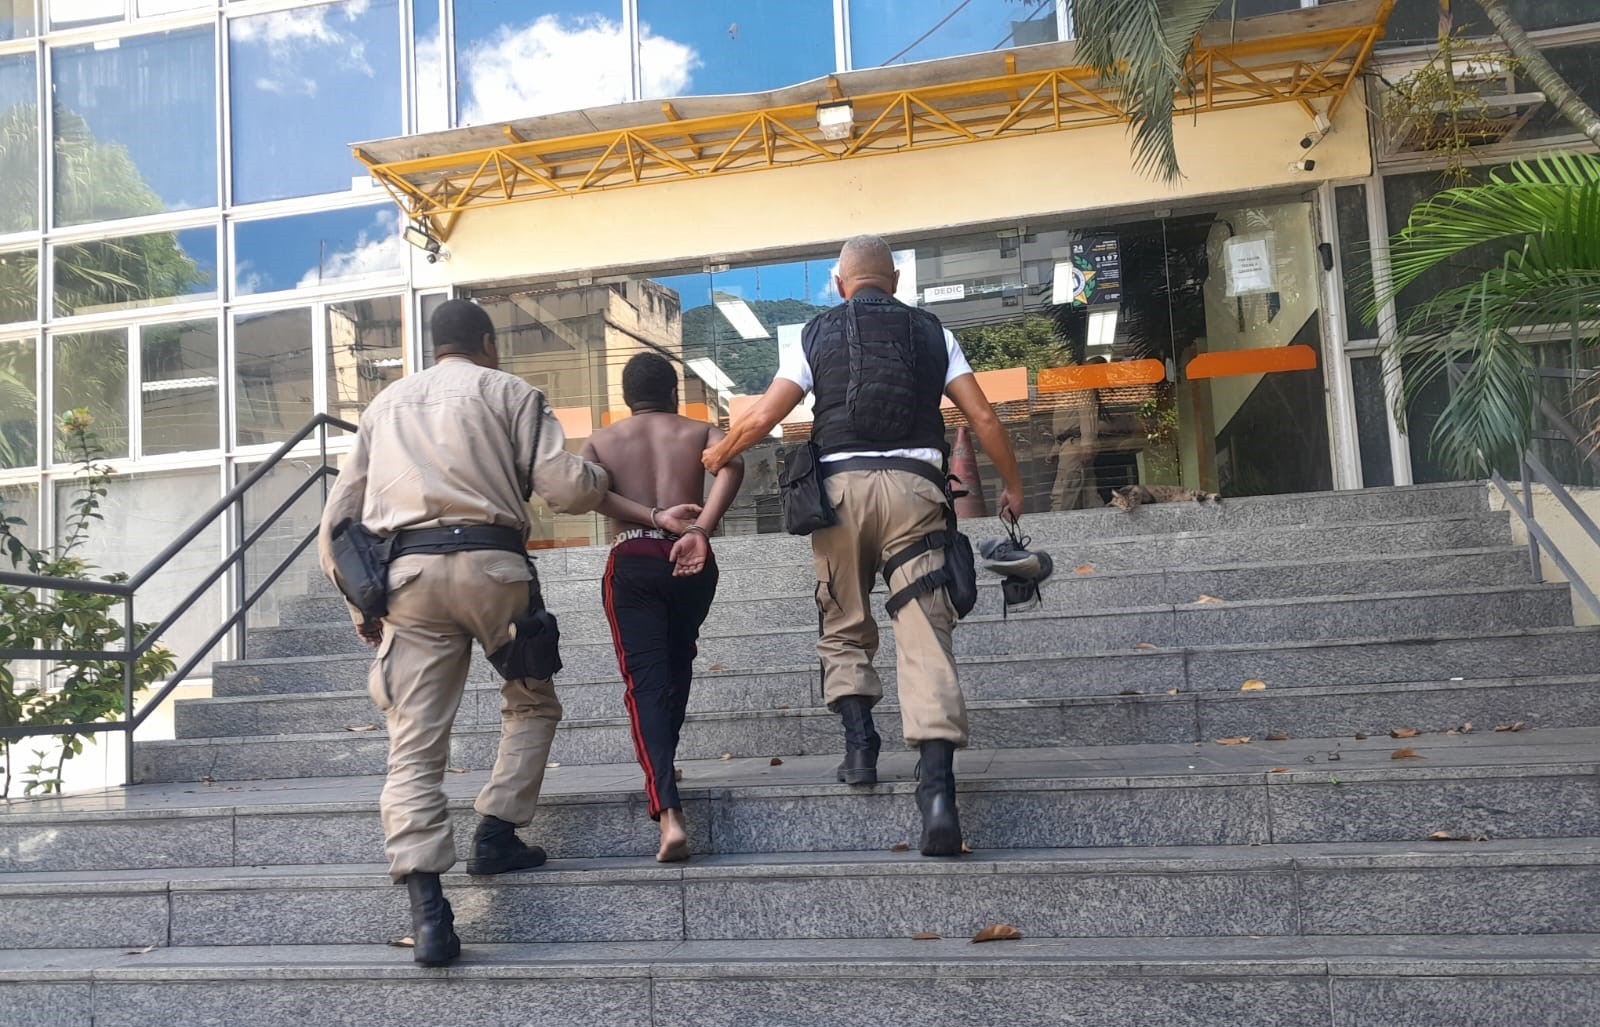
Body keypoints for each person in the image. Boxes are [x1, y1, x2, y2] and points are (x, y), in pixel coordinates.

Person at [316, 300, 697, 967]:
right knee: (531, 699)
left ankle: (430, 909)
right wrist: (607, 477)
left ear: (432, 349)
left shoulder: (384, 407)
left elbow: (338, 521)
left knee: (414, 745)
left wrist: (361, 607)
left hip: (407, 580)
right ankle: (496, 829)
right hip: (497, 573)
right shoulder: (513, 392)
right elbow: (566, 489)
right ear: (488, 343)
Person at [702, 234, 1024, 857]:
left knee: (844, 621)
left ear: (840, 283)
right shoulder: (934, 332)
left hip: (839, 495)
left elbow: (764, 416)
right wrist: (1011, 486)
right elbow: (983, 419)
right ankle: (935, 791)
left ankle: (860, 749)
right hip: (918, 493)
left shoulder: (814, 333)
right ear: (895, 281)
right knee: (924, 632)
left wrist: (717, 454)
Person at [583, 352, 745, 862]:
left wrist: (653, 517)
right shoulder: (697, 432)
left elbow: (592, 494)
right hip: (691, 561)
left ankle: (669, 814)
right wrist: (700, 528)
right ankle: (665, 759)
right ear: (674, 392)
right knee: (678, 663)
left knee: (645, 682)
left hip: (632, 557)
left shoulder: (601, 441)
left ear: (626, 399)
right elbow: (733, 463)